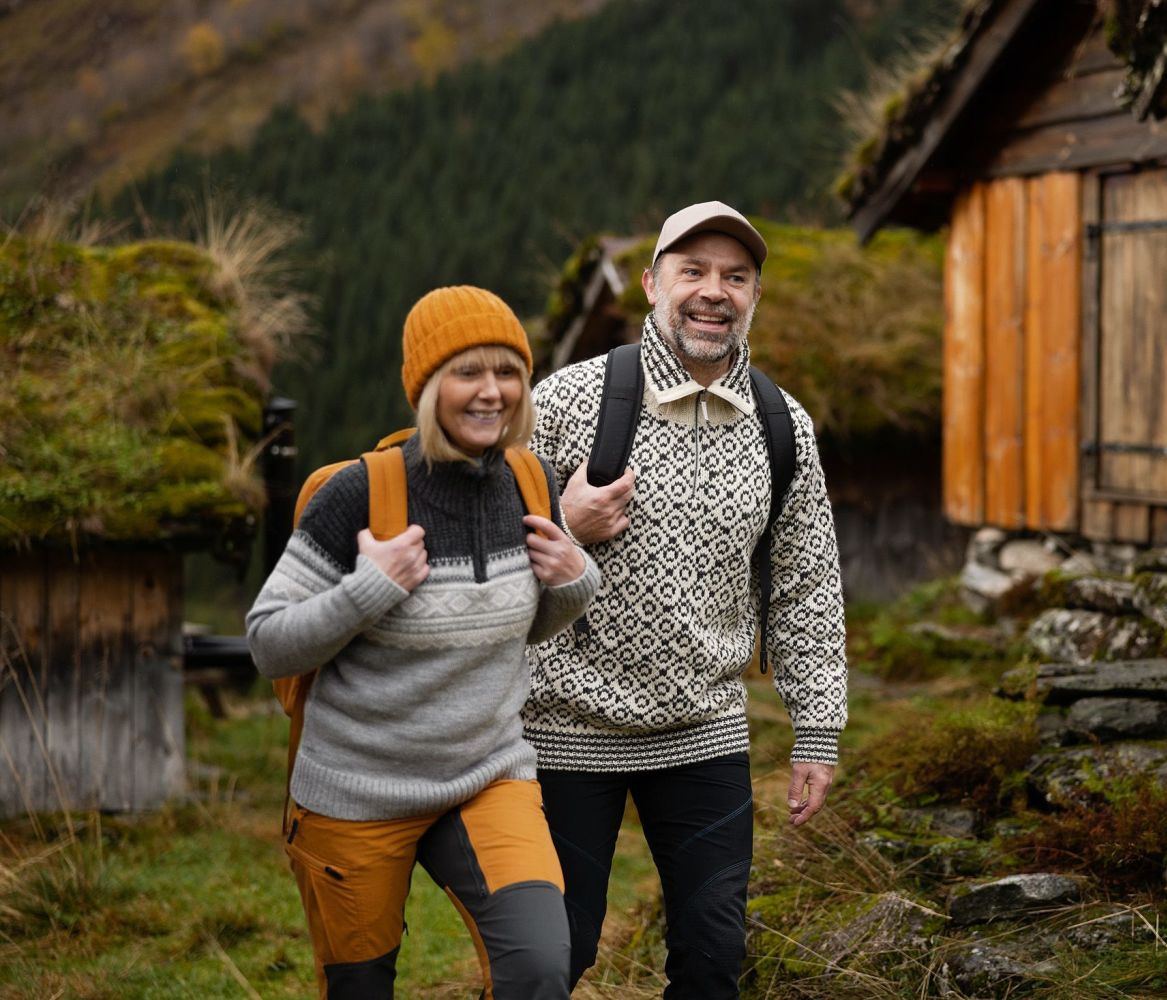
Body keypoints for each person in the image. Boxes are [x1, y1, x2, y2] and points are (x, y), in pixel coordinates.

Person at [523, 201, 848, 997]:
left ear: (755, 297)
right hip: (564, 730)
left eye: (735, 277)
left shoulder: (783, 425)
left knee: (710, 963)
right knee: (551, 959)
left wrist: (818, 730)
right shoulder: (566, 401)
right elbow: (484, 549)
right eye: (693, 271)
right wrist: (569, 523)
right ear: (650, 284)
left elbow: (806, 585)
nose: (714, 292)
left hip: (704, 733)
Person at [246, 285, 599, 1000]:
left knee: (540, 968)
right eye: (468, 372)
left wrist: (574, 582)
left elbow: (519, 629)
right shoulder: (355, 495)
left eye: (508, 372)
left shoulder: (532, 483)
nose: (491, 392)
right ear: (428, 385)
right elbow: (268, 644)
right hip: (355, 792)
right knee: (360, 988)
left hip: (487, 775)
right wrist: (365, 591)